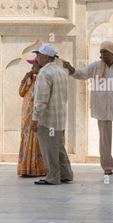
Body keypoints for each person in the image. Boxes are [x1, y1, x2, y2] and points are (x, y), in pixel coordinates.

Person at [63, 41, 113, 175]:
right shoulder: (95, 67)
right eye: (101, 52)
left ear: (112, 53)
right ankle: (107, 166)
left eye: (105, 52)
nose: (102, 55)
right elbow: (81, 74)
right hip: (101, 108)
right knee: (104, 138)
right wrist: (70, 68)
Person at [30, 44, 73, 185]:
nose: (37, 58)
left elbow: (41, 99)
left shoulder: (44, 73)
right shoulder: (61, 71)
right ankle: (66, 174)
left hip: (47, 120)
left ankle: (53, 177)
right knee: (58, 148)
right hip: (59, 119)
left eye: (39, 55)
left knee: (49, 149)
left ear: (47, 57)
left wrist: (35, 119)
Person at [17, 59, 47, 177]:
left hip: (36, 116)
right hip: (27, 116)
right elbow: (21, 92)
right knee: (27, 139)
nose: (31, 69)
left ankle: (37, 168)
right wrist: (25, 78)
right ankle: (27, 167)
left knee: (36, 139)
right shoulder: (32, 79)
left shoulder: (43, 80)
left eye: (33, 66)